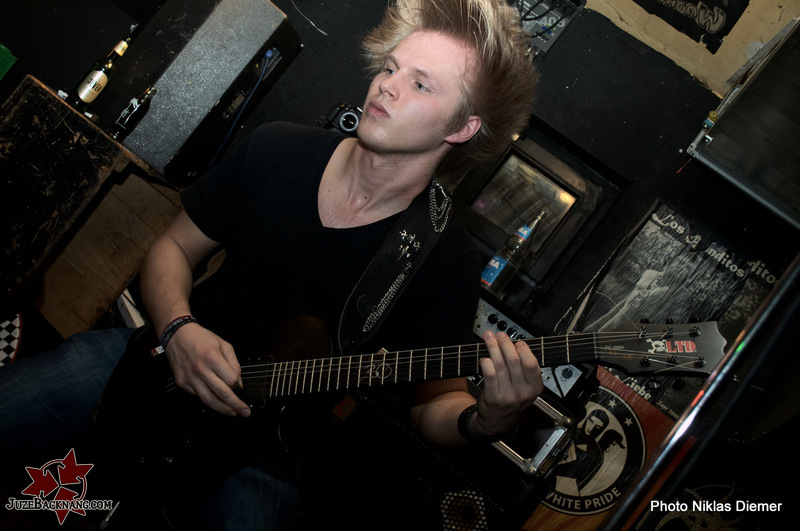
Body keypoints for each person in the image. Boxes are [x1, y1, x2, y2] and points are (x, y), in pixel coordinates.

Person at [0, 1, 542, 529]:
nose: (387, 86)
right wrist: (179, 328)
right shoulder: (279, 148)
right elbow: (172, 249)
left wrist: (485, 420)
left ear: (462, 127)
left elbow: (436, 402)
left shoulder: (445, 258)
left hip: (260, 449)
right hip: (161, 363)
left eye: (420, 84)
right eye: (390, 68)